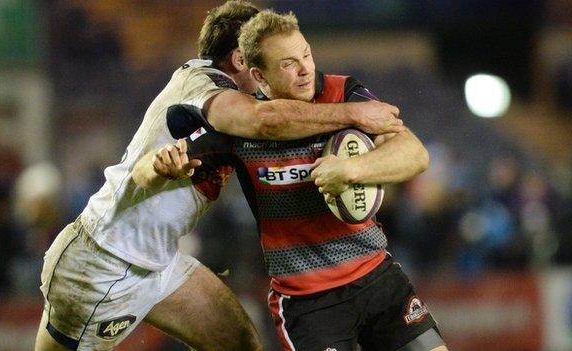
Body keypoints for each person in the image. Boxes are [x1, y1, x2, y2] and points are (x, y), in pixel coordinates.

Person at [35, 1, 405, 350]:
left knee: (239, 342)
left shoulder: (226, 95)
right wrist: (353, 114)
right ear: (241, 59)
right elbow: (265, 122)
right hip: (104, 261)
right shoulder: (202, 83)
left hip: (160, 261)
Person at [135, 9, 448, 351]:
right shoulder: (241, 125)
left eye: (306, 55)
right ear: (259, 75)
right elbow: (146, 170)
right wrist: (159, 165)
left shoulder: (342, 92)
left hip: (377, 277)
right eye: (288, 63)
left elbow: (415, 154)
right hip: (308, 304)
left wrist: (352, 170)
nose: (305, 69)